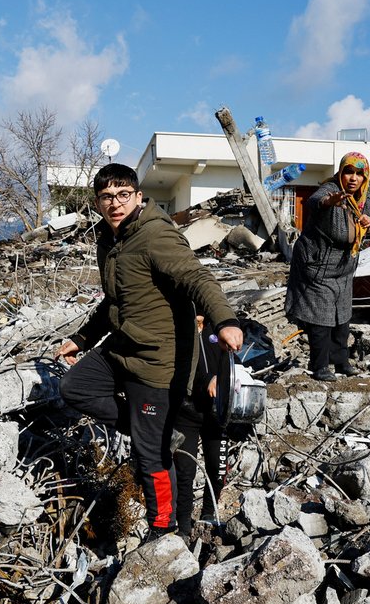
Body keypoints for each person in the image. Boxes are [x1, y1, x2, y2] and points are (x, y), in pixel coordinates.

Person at [56, 163, 243, 541]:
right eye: (107, 197)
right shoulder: (110, 241)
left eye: (124, 195)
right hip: (123, 348)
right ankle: (158, 432)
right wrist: (83, 338)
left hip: (157, 361)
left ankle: (164, 527)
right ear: (97, 203)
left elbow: (197, 277)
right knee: (74, 387)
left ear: (138, 197)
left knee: (149, 457)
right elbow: (114, 301)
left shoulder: (156, 235)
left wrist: (224, 320)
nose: (116, 203)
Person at [285, 152, 370, 382]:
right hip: (317, 268)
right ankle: (320, 366)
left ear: (365, 178)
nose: (353, 178)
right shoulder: (330, 191)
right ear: (340, 173)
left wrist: (367, 223)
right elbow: (316, 201)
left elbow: (358, 229)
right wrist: (330, 202)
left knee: (342, 318)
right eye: (348, 172)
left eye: (359, 174)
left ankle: (341, 362)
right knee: (321, 319)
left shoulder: (359, 200)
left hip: (342, 270)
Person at [173, 315, 230, 540]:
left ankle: (209, 514)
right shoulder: (175, 328)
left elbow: (233, 361)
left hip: (217, 413)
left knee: (217, 468)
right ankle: (184, 526)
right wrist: (206, 379)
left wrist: (221, 379)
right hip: (186, 410)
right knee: (185, 471)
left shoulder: (219, 328)